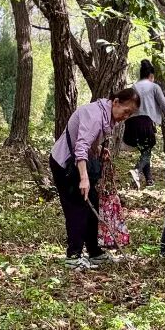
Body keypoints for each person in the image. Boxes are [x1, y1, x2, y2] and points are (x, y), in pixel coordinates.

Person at [49, 88, 141, 269]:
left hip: (74, 165)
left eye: (129, 114)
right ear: (115, 102)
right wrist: (84, 178)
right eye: (126, 111)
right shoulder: (94, 115)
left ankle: (95, 253)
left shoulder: (104, 115)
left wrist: (97, 150)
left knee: (92, 206)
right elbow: (80, 147)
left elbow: (86, 141)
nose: (125, 117)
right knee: (77, 208)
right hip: (65, 166)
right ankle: (73, 257)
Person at [124, 59, 165, 188]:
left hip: (132, 124)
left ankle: (149, 180)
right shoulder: (154, 86)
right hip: (145, 123)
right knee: (146, 152)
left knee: (145, 151)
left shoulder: (134, 87)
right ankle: (136, 170)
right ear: (151, 76)